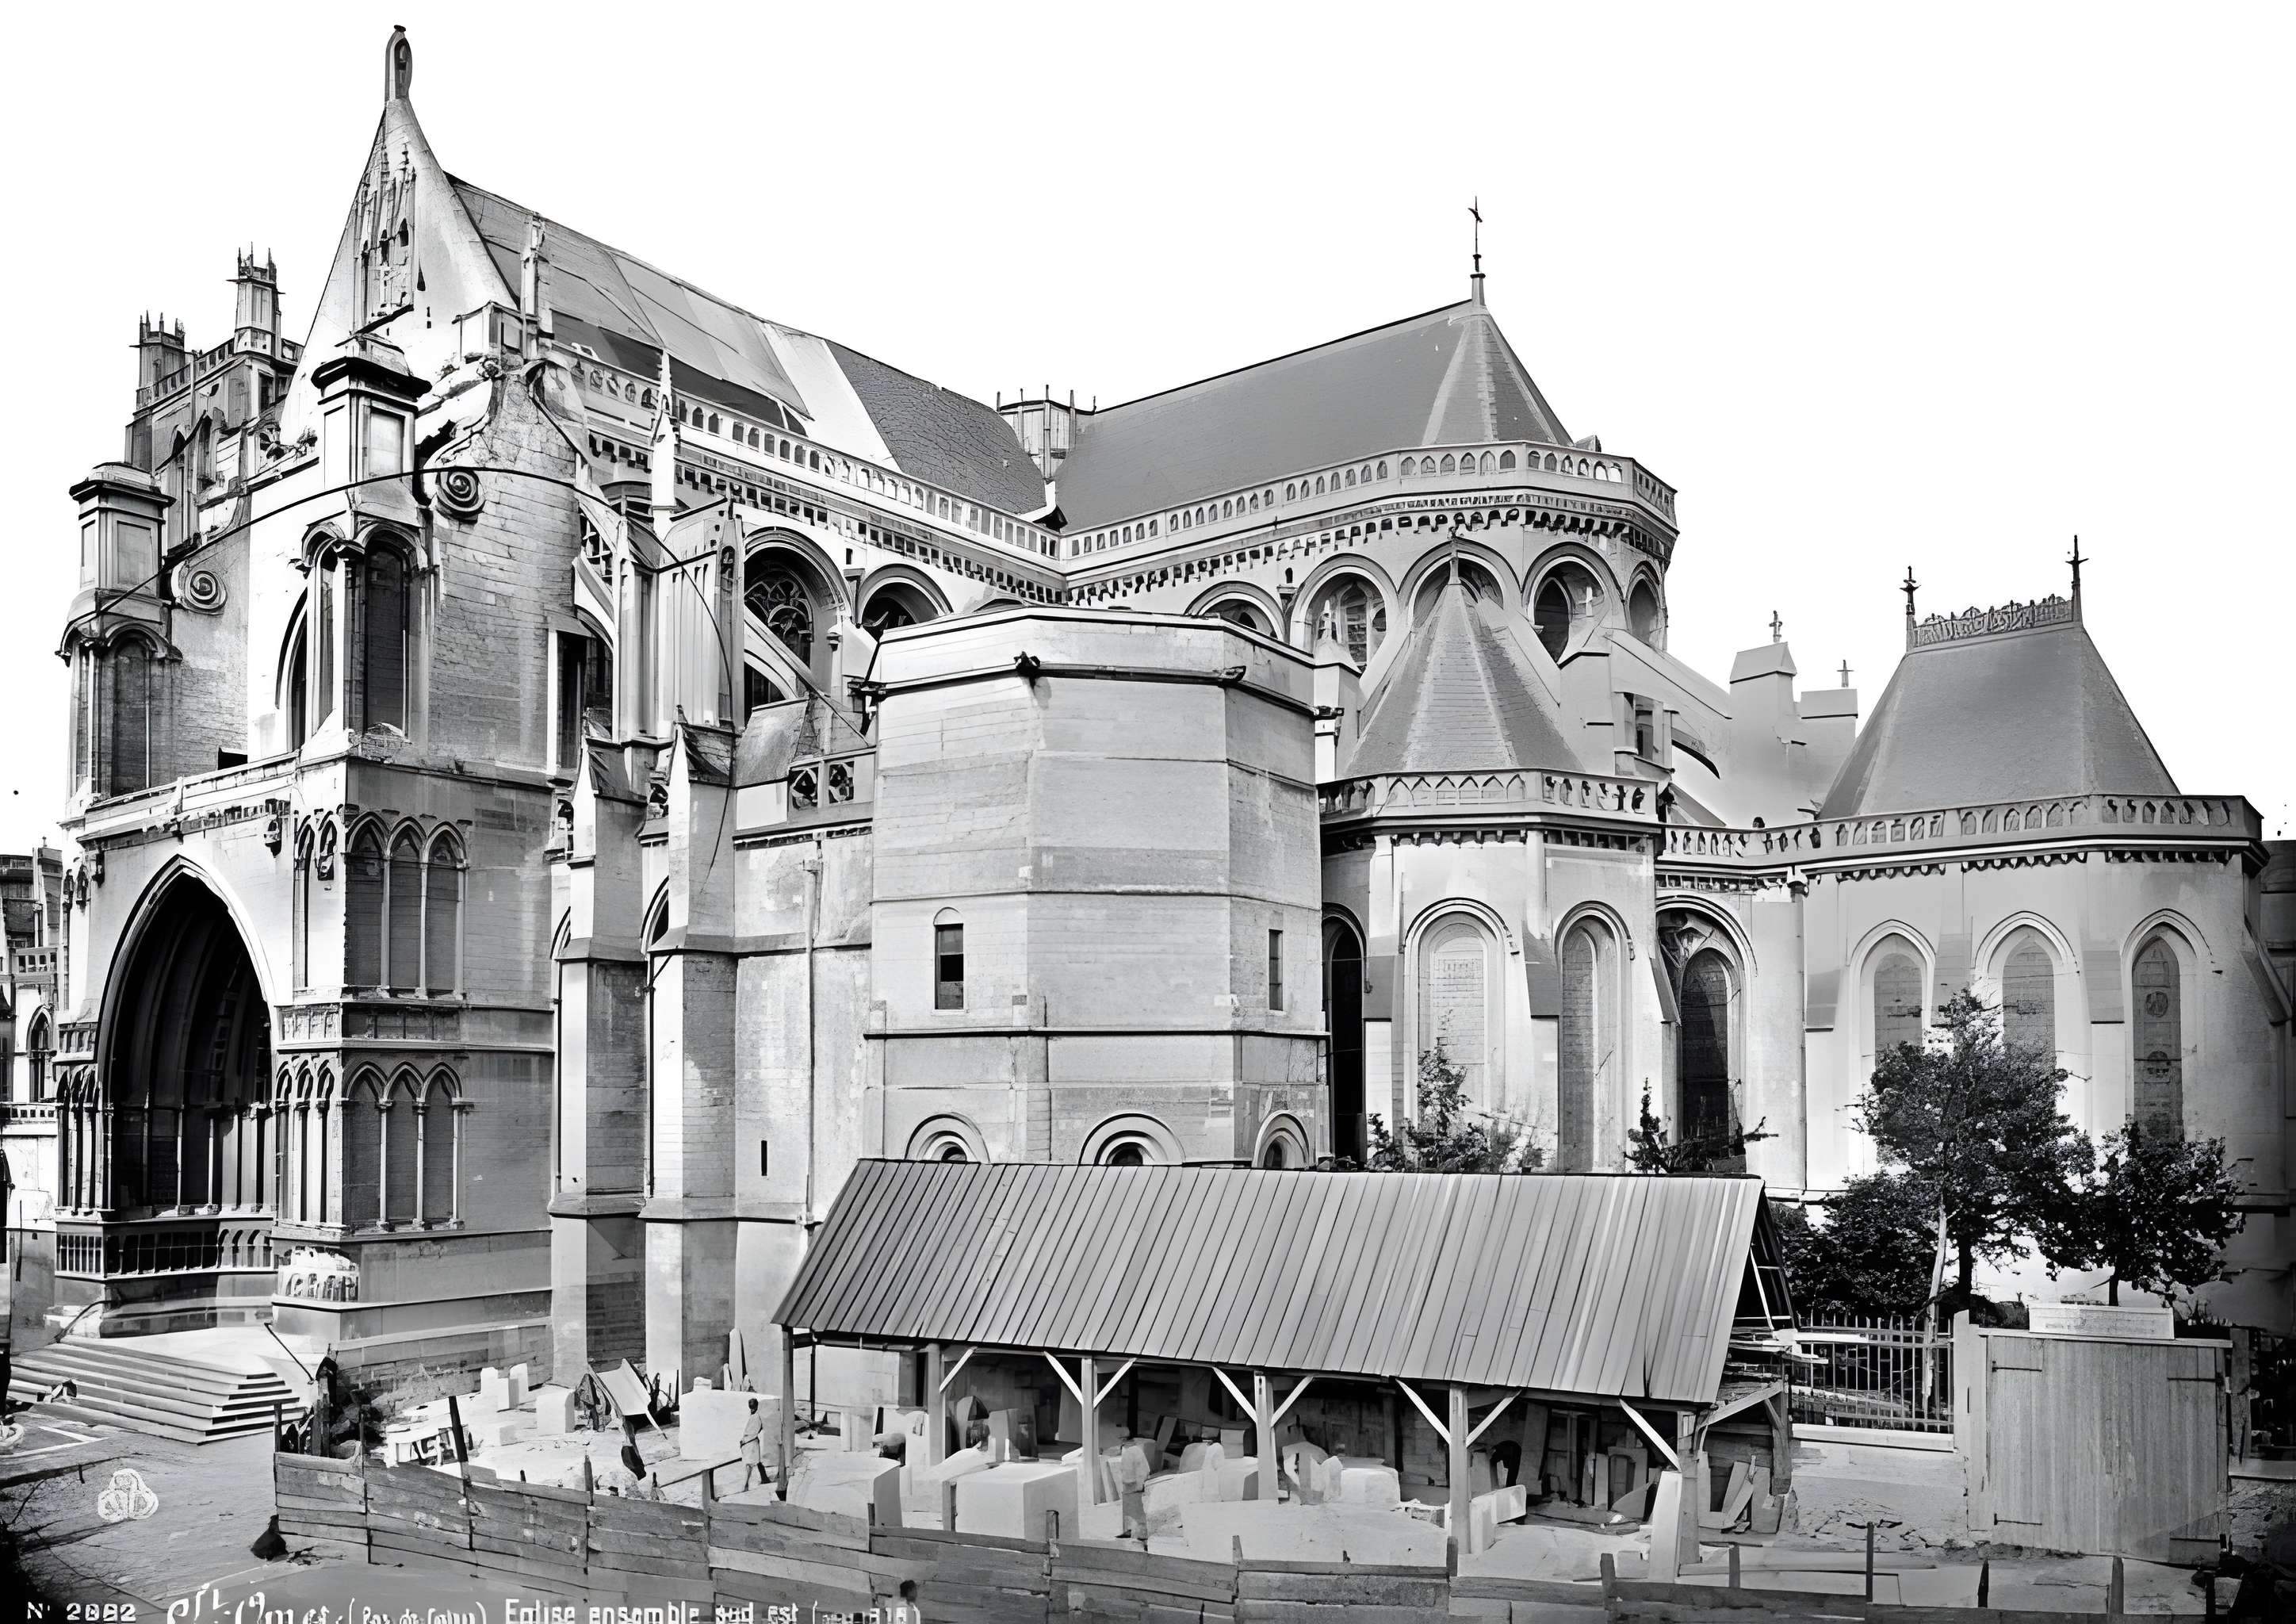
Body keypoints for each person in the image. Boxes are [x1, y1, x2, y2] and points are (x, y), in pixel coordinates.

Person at [740, 1396, 767, 1491]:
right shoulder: (755, 1416)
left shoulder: (756, 1417)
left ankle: (746, 1485)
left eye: (752, 1406)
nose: (751, 1409)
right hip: (750, 1442)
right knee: (754, 1463)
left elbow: (753, 1432)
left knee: (750, 1464)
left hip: (751, 1443)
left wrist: (744, 1441)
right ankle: (764, 1479)